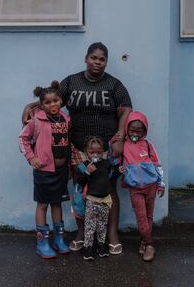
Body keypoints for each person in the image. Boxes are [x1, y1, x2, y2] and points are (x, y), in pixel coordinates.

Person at [22, 42, 132, 254]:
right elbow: (50, 100)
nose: (97, 62)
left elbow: (126, 109)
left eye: (102, 59)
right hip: (77, 147)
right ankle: (82, 233)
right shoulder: (71, 82)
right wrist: (29, 107)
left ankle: (111, 234)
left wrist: (120, 137)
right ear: (86, 58)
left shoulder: (114, 85)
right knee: (81, 191)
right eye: (94, 57)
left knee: (109, 189)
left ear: (106, 62)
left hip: (106, 148)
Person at [19, 81, 71, 259]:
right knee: (43, 205)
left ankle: (59, 240)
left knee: (57, 203)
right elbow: (23, 139)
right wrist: (31, 158)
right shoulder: (36, 121)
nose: (52, 105)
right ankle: (42, 243)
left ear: (61, 101)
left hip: (61, 171)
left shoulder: (66, 118)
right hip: (44, 171)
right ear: (41, 105)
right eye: (47, 102)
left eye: (55, 100)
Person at [118, 111, 165, 261]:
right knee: (141, 216)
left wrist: (161, 184)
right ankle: (150, 244)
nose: (135, 133)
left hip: (151, 186)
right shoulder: (124, 145)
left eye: (139, 131)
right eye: (132, 130)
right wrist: (121, 169)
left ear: (144, 131)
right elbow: (114, 160)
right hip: (135, 189)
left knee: (149, 216)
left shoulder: (147, 145)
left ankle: (143, 242)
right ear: (127, 129)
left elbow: (157, 164)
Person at [76, 136, 112, 261]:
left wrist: (119, 171)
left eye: (99, 152)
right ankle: (88, 247)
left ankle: (101, 246)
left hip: (106, 200)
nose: (96, 154)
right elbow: (79, 182)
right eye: (92, 152)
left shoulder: (106, 164)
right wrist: (87, 172)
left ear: (103, 152)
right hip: (91, 199)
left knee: (102, 224)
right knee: (90, 225)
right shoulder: (84, 165)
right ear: (86, 152)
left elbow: (111, 178)